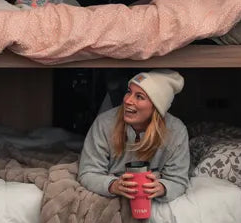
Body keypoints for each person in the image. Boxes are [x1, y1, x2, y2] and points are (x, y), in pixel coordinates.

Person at [78, 70, 190, 203]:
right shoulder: (104, 123)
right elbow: (88, 173)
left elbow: (178, 180)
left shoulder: (176, 131)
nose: (127, 100)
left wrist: (162, 188)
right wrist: (113, 185)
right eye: (128, 92)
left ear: (156, 107)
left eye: (139, 96)